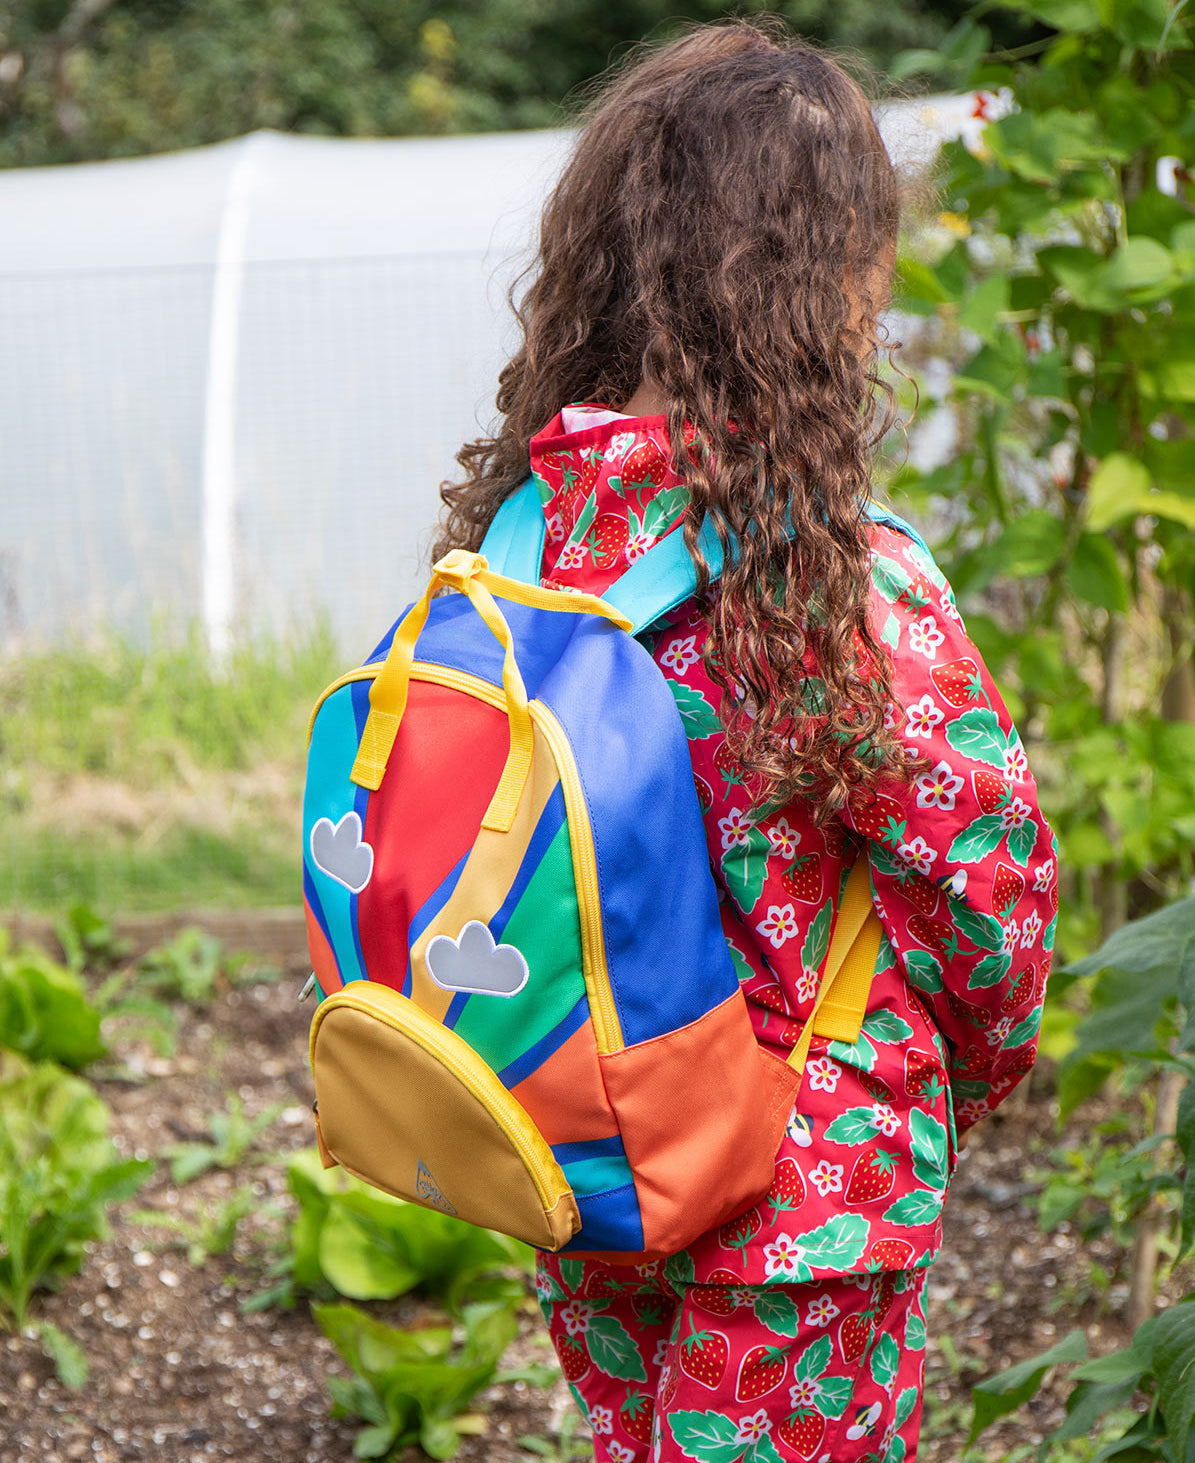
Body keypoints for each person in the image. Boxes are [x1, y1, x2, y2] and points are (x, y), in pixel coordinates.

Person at [435, 20, 1057, 1463]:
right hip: (799, 1189)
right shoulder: (836, 579)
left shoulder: (526, 543)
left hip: (582, 1151)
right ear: (825, 278)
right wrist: (973, 1073)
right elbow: (988, 892)